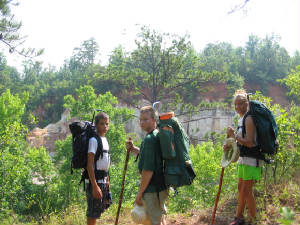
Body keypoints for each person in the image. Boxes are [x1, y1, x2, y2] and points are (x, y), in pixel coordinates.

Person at [224, 90, 262, 225]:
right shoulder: (242, 119)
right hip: (243, 159)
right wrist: (229, 143)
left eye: (241, 103)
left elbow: (250, 142)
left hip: (252, 160)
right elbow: (240, 141)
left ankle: (249, 218)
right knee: (242, 188)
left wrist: (234, 136)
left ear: (247, 103)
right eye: (236, 104)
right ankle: (242, 218)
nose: (238, 107)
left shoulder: (249, 119)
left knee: (246, 190)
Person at [126, 106, 168, 225]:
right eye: (140, 119)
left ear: (154, 120)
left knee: (152, 222)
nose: (142, 122)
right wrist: (134, 149)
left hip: (152, 190)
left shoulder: (149, 139)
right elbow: (150, 156)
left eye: (145, 119)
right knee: (159, 220)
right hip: (161, 187)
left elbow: (148, 171)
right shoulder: (156, 135)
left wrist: (139, 194)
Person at [86, 112, 111, 225]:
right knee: (92, 213)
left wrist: (107, 184)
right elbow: (90, 164)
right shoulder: (93, 141)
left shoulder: (104, 140)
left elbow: (105, 164)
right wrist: (95, 186)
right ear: (96, 125)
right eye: (102, 124)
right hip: (95, 183)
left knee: (98, 211)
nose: (105, 126)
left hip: (103, 181)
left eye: (107, 124)